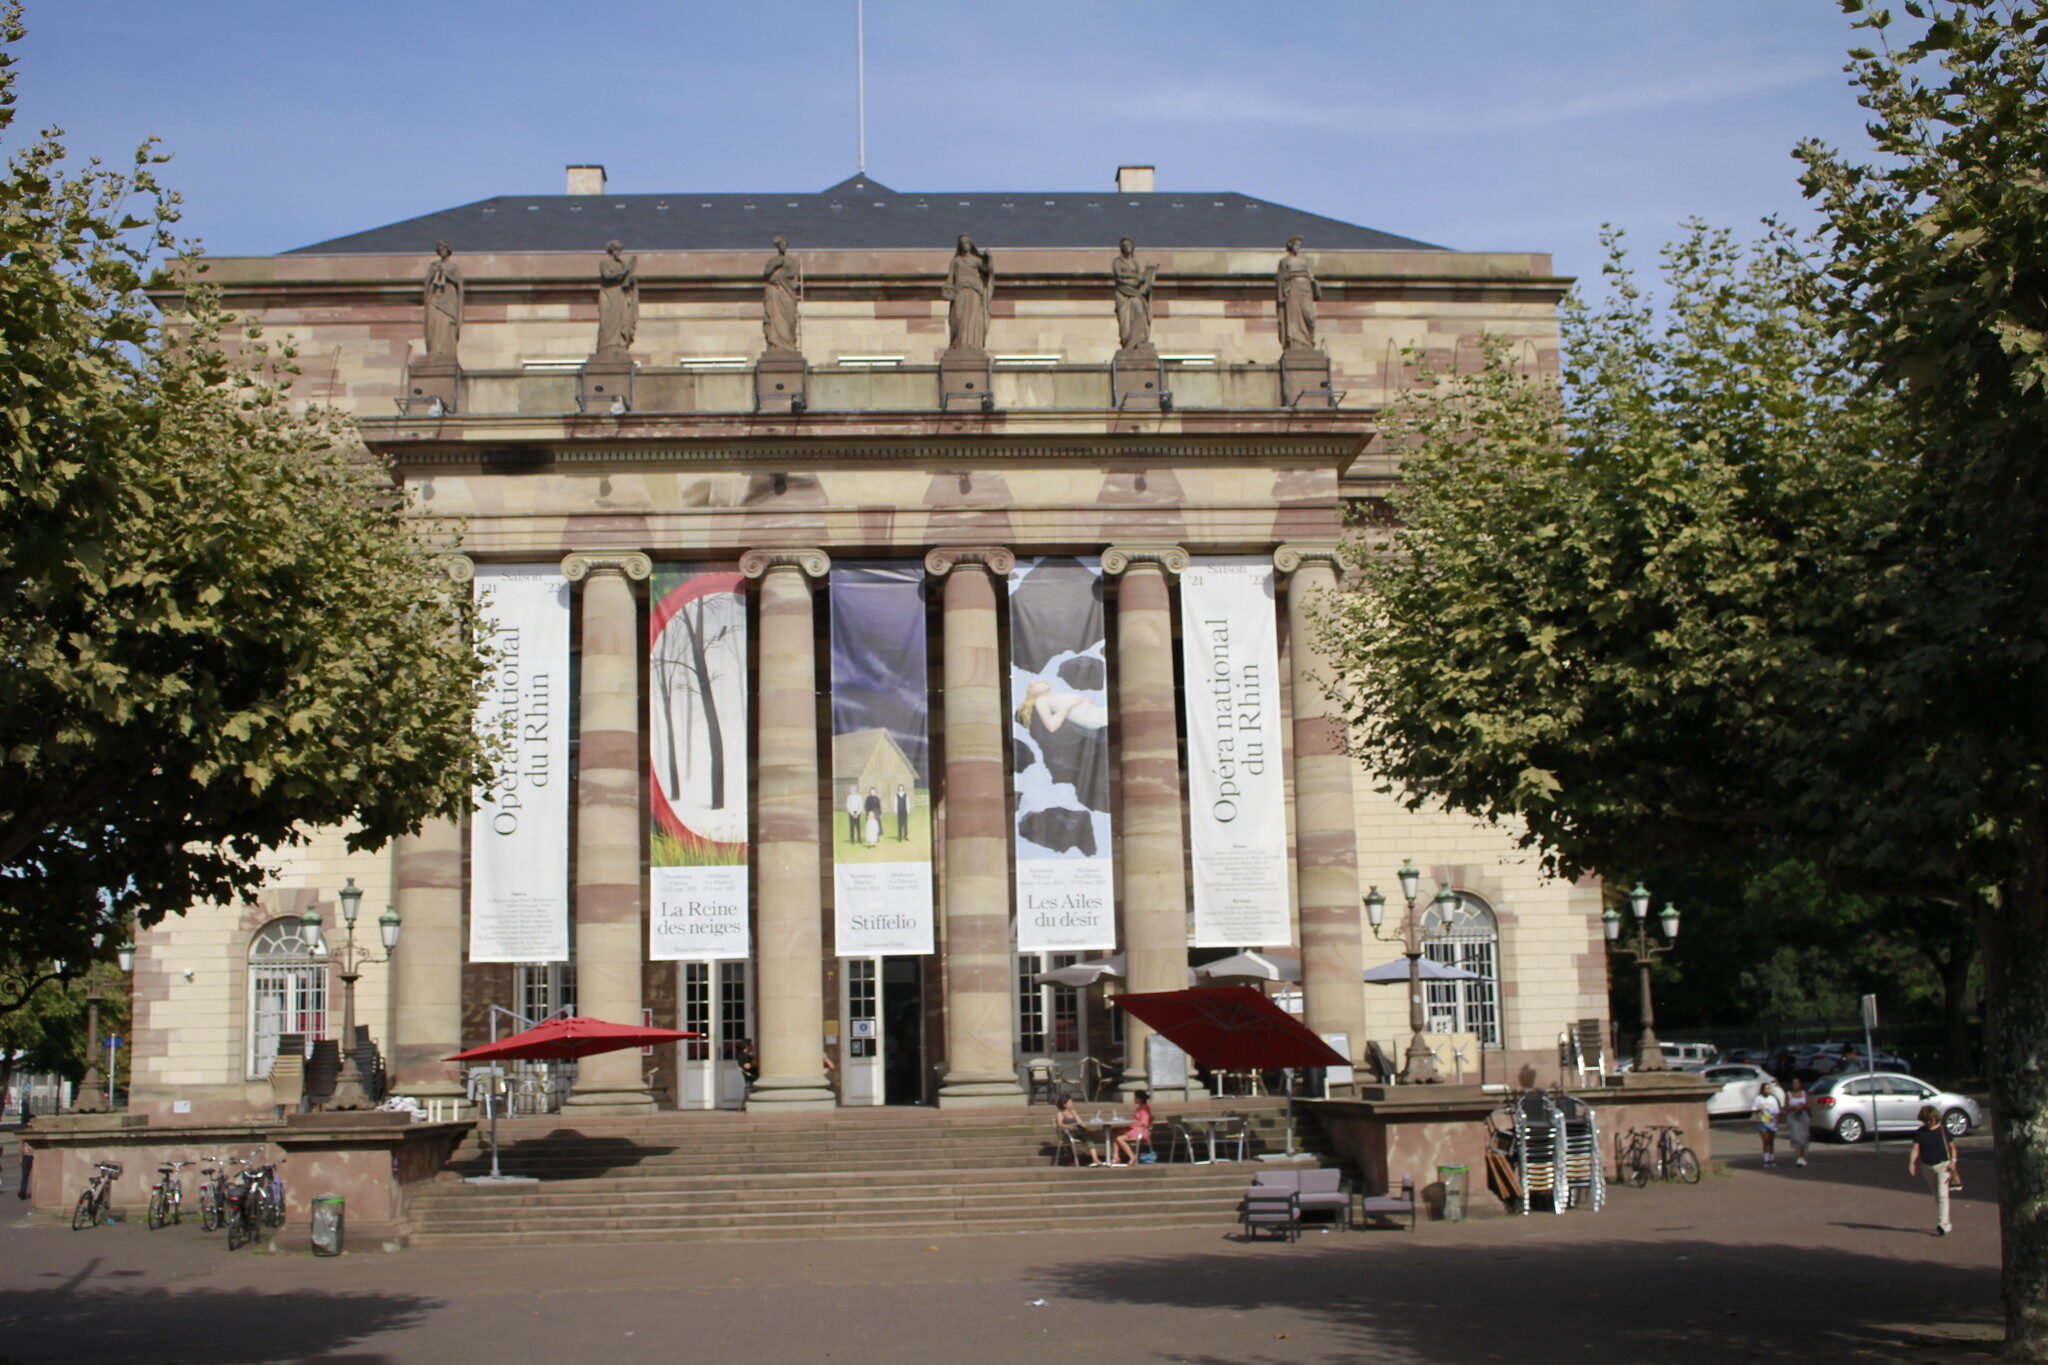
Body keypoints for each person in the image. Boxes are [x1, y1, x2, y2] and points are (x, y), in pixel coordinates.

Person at [1908, 1104, 1959, 1235]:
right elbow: (1915, 1149)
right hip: (1927, 1166)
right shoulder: (1920, 1132)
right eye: (1925, 1121)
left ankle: (1944, 1224)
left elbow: (1952, 1147)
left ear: (1936, 1118)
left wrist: (1953, 1162)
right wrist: (1911, 1163)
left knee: (1942, 1194)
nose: (1928, 1123)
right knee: (1936, 1194)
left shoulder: (1943, 1131)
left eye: (1930, 1120)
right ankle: (1944, 1220)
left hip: (1943, 1166)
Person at [943, 235, 993, 351]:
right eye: (962, 243)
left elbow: (987, 269)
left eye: (966, 243)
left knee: (972, 319)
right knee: (958, 317)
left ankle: (972, 344)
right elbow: (950, 278)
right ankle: (958, 343)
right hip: (960, 292)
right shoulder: (956, 261)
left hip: (973, 292)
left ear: (971, 245)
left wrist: (988, 258)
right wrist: (948, 288)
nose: (964, 245)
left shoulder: (976, 260)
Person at [1275, 236, 1319, 351]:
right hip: (1293, 290)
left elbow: (1311, 277)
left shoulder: (1304, 262)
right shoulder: (1284, 261)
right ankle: (1295, 341)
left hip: (1306, 290)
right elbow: (1280, 278)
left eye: (1299, 246)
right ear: (1290, 246)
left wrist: (1314, 284)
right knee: (1294, 318)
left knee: (1310, 317)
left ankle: (1308, 341)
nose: (1297, 248)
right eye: (1295, 245)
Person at [1015, 679, 1109, 733]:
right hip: (1091, 718)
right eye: (1037, 683)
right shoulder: (1041, 701)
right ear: (1034, 691)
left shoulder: (1056, 696)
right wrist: (1068, 706)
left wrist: (1084, 701)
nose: (1042, 681)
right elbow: (1051, 726)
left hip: (1096, 711)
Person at [1112, 1090, 1153, 1167]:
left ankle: (1132, 1157)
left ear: (1139, 1099)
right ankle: (1116, 1156)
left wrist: (1131, 1123)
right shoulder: (1140, 1108)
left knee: (1119, 1138)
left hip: (1140, 1131)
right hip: (1135, 1129)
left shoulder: (1144, 1109)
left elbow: (1144, 1123)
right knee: (1115, 1131)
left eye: (1135, 1097)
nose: (1133, 1099)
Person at [1056, 1097, 1100, 1167]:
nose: (1072, 1103)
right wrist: (1068, 1126)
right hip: (1068, 1134)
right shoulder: (1060, 1113)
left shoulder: (1073, 1112)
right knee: (1086, 1133)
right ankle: (1098, 1136)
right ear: (1064, 1104)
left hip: (1078, 1133)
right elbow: (1060, 1124)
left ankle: (1095, 1158)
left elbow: (1082, 1124)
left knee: (1088, 1138)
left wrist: (1075, 1115)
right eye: (1070, 1102)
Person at [1784, 1076, 1813, 1167]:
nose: (1796, 1085)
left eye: (1797, 1083)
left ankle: (1802, 1156)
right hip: (1793, 1116)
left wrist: (1802, 1106)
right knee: (1795, 1136)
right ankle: (1798, 1158)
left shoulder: (1804, 1094)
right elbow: (1786, 1107)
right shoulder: (1788, 1094)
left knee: (1803, 1137)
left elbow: (1809, 1104)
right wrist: (1794, 1108)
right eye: (1794, 1083)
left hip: (1803, 1116)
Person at [1754, 1080, 1784, 1167]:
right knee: (1766, 1141)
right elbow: (1754, 1109)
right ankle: (1766, 1159)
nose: (1767, 1090)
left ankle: (1771, 1159)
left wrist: (1777, 1123)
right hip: (1762, 1122)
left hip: (1772, 1122)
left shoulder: (1772, 1099)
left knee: (1771, 1141)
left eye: (1768, 1088)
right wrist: (1759, 1110)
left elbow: (1777, 1112)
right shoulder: (1758, 1098)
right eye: (1765, 1088)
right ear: (1762, 1090)